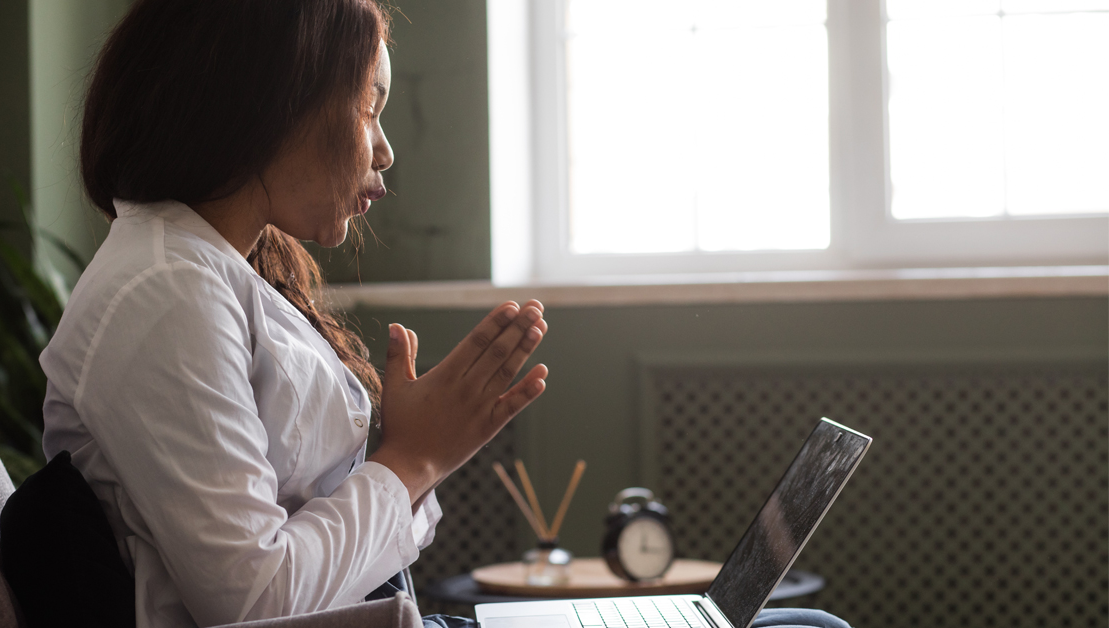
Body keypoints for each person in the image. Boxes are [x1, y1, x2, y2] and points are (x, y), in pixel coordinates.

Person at [42, 1, 851, 627]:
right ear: (272, 103)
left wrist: (412, 455)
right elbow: (254, 599)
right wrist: (413, 460)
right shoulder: (162, 293)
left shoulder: (208, 274)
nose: (385, 149)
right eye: (369, 107)